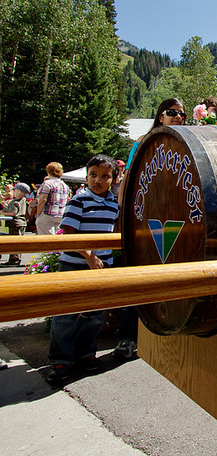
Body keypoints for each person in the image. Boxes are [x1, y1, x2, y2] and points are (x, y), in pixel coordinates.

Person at [115, 99, 186, 361]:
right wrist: (124, 214)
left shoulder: (184, 142)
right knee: (139, 276)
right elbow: (129, 179)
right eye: (171, 113)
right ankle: (127, 336)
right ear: (159, 116)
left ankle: (161, 332)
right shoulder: (143, 143)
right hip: (143, 219)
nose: (177, 117)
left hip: (172, 220)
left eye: (181, 114)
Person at [47, 154, 120, 383]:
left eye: (105, 176)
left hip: (101, 266)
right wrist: (89, 256)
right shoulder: (78, 201)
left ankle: (85, 353)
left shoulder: (112, 204)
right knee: (66, 313)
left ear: (113, 180)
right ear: (86, 177)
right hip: (75, 263)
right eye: (93, 175)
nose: (97, 180)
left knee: (95, 314)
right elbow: (68, 233)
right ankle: (61, 358)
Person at [35, 162, 70, 235]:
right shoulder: (65, 185)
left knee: (46, 238)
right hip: (60, 214)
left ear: (48, 171)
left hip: (48, 213)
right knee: (58, 237)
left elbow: (42, 200)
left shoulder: (47, 183)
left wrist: (38, 214)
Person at [0, 182, 30, 266]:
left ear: (20, 191)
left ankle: (14, 260)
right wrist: (6, 206)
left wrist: (3, 212)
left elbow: (13, 213)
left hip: (15, 223)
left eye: (15, 190)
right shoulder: (23, 200)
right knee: (18, 241)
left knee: (13, 242)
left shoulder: (15, 202)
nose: (13, 191)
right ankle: (15, 259)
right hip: (22, 222)